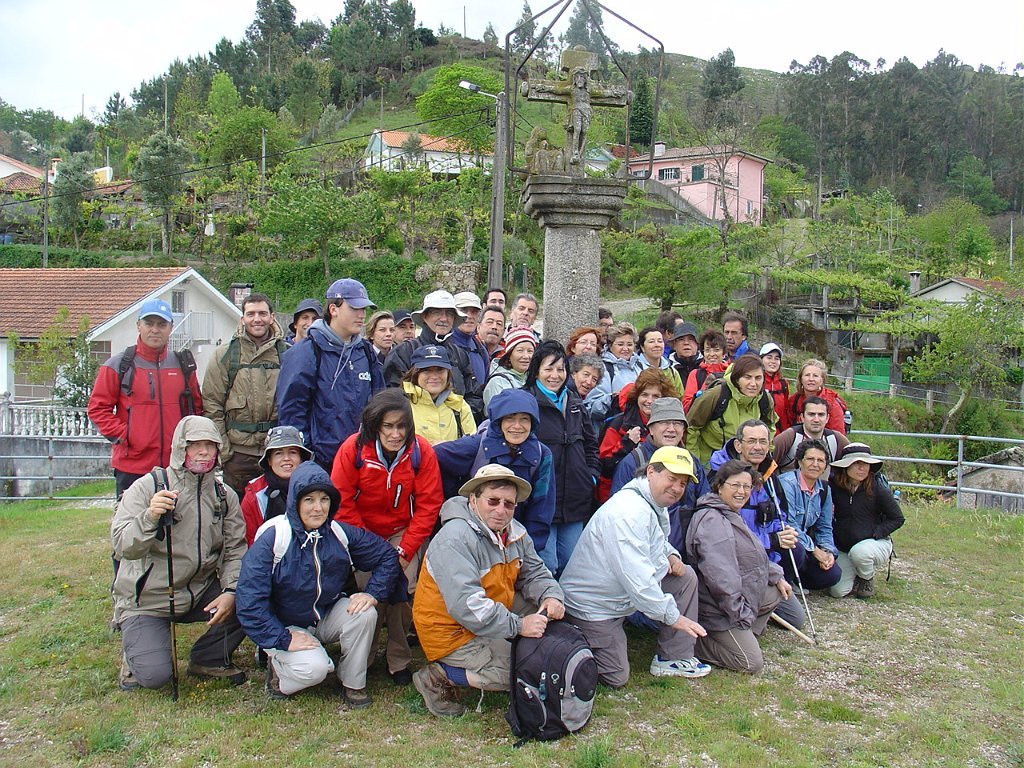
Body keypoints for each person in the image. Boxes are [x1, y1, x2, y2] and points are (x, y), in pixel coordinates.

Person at [236, 460, 401, 706]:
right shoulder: (275, 536)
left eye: (324, 499)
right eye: (309, 500)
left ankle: (353, 682)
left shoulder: (338, 532)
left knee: (365, 613)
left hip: (323, 615)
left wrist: (372, 593)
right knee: (316, 669)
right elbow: (249, 600)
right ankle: (279, 673)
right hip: (284, 625)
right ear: (295, 502)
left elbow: (386, 556)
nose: (318, 508)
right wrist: (283, 638)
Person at [412, 464, 565, 717]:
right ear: (473, 500)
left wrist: (551, 595)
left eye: (509, 504)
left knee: (547, 623)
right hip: (450, 630)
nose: (501, 510)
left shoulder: (515, 531)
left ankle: (509, 647)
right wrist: (519, 626)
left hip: (493, 606)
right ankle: (439, 675)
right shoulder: (454, 538)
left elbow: (535, 572)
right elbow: (468, 606)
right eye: (492, 501)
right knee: (520, 673)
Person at [112, 416, 246, 692]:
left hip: (199, 591)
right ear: (179, 448)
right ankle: (134, 649)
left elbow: (236, 550)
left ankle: (208, 658)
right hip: (148, 598)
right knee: (155, 677)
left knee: (251, 598)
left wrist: (231, 591)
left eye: (210, 445)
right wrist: (150, 517)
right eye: (195, 445)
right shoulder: (147, 487)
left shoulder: (225, 496)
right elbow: (123, 546)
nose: (203, 452)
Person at [560, 447, 711, 687]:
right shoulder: (628, 513)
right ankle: (570, 635)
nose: (677, 488)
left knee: (685, 577)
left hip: (619, 595)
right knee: (616, 676)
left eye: (682, 483)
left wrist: (671, 554)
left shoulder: (651, 501)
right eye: (672, 478)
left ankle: (673, 658)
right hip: (595, 606)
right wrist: (674, 617)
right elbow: (639, 581)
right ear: (651, 472)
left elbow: (654, 541)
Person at [331, 389, 444, 686]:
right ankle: (364, 657)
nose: (396, 434)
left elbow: (429, 504)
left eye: (402, 426)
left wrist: (405, 550)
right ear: (374, 425)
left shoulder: (420, 451)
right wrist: (370, 548)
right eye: (388, 426)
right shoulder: (353, 450)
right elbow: (341, 501)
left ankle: (399, 659)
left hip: (402, 531)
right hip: (362, 532)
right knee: (368, 592)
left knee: (403, 591)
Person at [88, 298, 203, 500]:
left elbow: (197, 410)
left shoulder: (183, 366)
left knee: (177, 520)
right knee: (132, 519)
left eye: (161, 324)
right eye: (149, 323)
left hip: (176, 467)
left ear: (170, 327)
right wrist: (127, 435)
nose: (155, 330)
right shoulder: (118, 365)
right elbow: (97, 409)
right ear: (138, 326)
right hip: (132, 466)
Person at [685, 459, 792, 673]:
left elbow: (753, 554)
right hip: (715, 607)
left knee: (776, 591)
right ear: (719, 486)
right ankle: (696, 642)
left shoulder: (731, 513)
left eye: (746, 486)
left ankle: (743, 634)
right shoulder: (713, 520)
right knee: (751, 663)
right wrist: (739, 613)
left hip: (735, 598)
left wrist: (776, 575)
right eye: (735, 485)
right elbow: (720, 577)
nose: (741, 492)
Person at [276, 278, 384, 470]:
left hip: (363, 461)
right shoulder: (306, 352)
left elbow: (380, 402)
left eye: (363, 309)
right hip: (321, 463)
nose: (361, 315)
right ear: (333, 309)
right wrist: (308, 458)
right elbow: (292, 413)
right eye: (354, 308)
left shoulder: (366, 352)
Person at [708, 420, 805, 628]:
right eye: (751, 441)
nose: (758, 447)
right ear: (738, 445)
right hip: (736, 564)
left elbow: (781, 515)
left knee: (796, 619)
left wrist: (783, 533)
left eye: (763, 441)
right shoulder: (722, 478)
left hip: (765, 561)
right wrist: (772, 540)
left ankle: (769, 595)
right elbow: (728, 536)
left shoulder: (770, 475)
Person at [433, 388, 555, 553]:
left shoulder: (541, 455)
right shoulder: (477, 446)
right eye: (510, 418)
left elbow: (541, 507)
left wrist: (529, 550)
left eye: (524, 419)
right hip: (472, 539)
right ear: (498, 421)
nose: (517, 426)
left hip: (516, 542)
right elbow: (434, 456)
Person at [524, 341, 599, 576]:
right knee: (546, 565)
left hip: (575, 497)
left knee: (571, 563)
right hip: (543, 498)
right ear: (537, 370)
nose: (555, 376)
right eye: (548, 369)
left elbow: (591, 445)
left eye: (560, 369)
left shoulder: (574, 402)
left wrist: (590, 477)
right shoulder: (527, 401)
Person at [201, 292, 286, 499]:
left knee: (277, 510)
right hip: (238, 455)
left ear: (272, 317)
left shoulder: (287, 354)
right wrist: (225, 451)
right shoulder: (225, 355)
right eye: (251, 314)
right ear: (242, 319)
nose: (257, 319)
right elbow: (212, 404)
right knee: (237, 513)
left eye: (262, 313)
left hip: (276, 451)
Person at [610, 398, 710, 556]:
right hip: (644, 552)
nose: (671, 429)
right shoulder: (633, 462)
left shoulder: (692, 462)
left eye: (677, 423)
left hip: (687, 553)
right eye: (664, 422)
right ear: (651, 428)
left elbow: (706, 504)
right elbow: (617, 514)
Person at [384, 290, 484, 421]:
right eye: (436, 312)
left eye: (449, 313)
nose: (444, 318)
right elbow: (392, 398)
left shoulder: (460, 355)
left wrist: (456, 420)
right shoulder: (403, 352)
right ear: (424, 316)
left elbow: (474, 395)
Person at [828, 443, 904, 599]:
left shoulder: (877, 488)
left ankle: (866, 578)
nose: (862, 468)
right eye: (857, 463)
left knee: (860, 553)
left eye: (866, 464)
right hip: (844, 547)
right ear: (846, 466)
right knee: (837, 592)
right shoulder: (834, 487)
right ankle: (856, 573)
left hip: (873, 544)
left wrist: (875, 533)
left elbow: (897, 518)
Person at [597, 368, 678, 505]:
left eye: (656, 396)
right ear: (637, 396)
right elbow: (603, 466)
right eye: (645, 395)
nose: (649, 401)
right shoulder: (619, 424)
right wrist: (626, 444)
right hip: (618, 496)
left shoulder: (672, 426)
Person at [686, 354, 777, 466]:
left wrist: (765, 453)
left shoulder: (765, 400)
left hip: (748, 466)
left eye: (758, 378)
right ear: (737, 379)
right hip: (711, 464)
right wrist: (695, 464)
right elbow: (691, 428)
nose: (753, 384)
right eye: (747, 377)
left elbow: (770, 427)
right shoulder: (716, 395)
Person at [776, 439, 843, 591]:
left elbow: (825, 527)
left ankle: (797, 580)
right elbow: (789, 524)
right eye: (810, 459)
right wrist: (815, 550)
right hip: (785, 542)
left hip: (807, 546)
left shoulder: (825, 489)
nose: (815, 464)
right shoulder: (787, 483)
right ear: (800, 461)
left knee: (833, 575)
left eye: (820, 460)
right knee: (796, 550)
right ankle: (785, 581)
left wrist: (828, 553)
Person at [240, 425, 312, 546]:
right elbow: (249, 539)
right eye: (278, 453)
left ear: (301, 458)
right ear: (269, 460)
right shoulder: (255, 494)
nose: (286, 458)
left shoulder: (315, 487)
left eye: (293, 452)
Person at [401, 345, 476, 445]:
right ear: (415, 374)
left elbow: (471, 446)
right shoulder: (402, 404)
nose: (434, 376)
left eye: (440, 369)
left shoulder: (459, 406)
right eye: (426, 370)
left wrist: (448, 448)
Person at [773, 396, 850, 472]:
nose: (816, 420)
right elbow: (768, 463)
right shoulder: (788, 437)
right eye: (811, 414)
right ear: (802, 417)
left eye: (821, 415)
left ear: (827, 418)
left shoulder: (836, 440)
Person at [586, 321, 640, 426]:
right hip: (614, 428)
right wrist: (614, 398)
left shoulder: (641, 366)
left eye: (629, 344)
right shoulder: (603, 368)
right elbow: (592, 407)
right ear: (610, 345)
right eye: (620, 344)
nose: (625, 349)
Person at [782, 359, 846, 433]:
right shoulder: (794, 400)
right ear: (801, 379)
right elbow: (788, 428)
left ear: (822, 380)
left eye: (815, 376)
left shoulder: (832, 403)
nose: (811, 379)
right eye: (807, 375)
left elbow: (837, 434)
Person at [482, 327, 536, 408]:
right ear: (509, 354)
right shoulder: (497, 383)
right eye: (520, 350)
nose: (526, 356)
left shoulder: (534, 379)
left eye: (530, 351)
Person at [451, 291, 491, 389]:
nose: (469, 316)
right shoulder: (443, 346)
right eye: (463, 310)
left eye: (474, 311)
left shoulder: (481, 349)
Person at [682, 328, 728, 411]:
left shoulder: (731, 373)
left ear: (724, 352)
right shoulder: (695, 374)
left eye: (716, 350)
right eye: (707, 350)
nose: (711, 354)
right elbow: (686, 406)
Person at [636, 325, 684, 396]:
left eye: (660, 341)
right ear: (642, 347)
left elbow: (680, 398)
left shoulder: (672, 372)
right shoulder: (635, 369)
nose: (657, 345)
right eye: (651, 342)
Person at [567, 352, 605, 426]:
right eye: (586, 375)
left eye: (594, 379)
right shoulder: (565, 397)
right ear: (574, 373)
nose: (589, 382)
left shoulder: (581, 400)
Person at [759, 342, 789, 421]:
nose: (773, 361)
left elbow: (786, 410)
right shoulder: (756, 382)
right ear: (761, 359)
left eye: (776, 358)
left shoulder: (783, 384)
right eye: (769, 357)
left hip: (779, 426)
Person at [668, 321, 702, 386]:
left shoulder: (706, 364)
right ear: (674, 345)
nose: (686, 343)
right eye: (681, 339)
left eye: (691, 339)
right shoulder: (667, 368)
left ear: (697, 344)